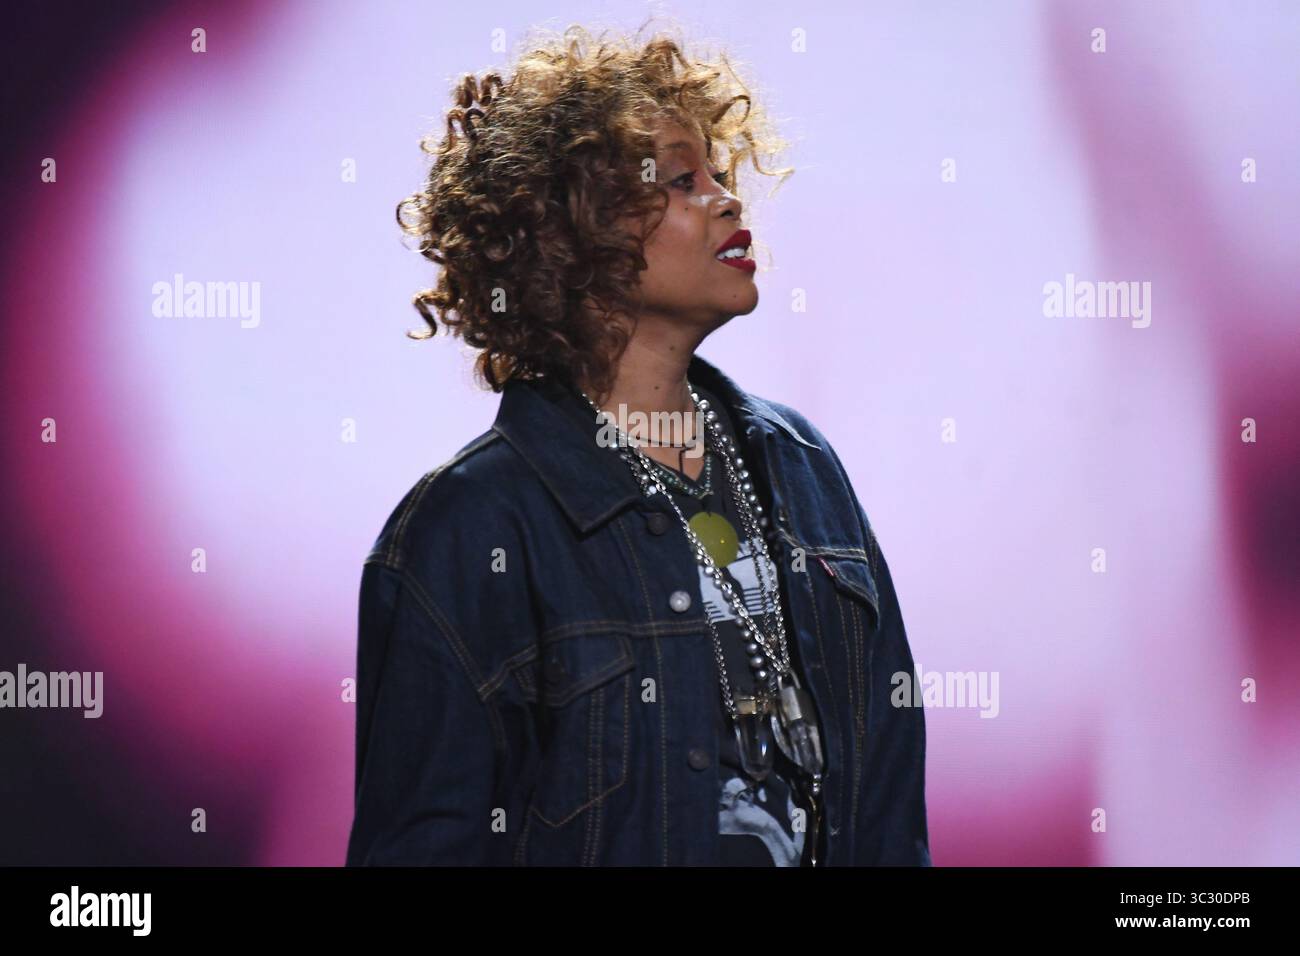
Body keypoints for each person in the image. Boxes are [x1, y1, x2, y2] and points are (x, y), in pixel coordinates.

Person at [345, 23, 931, 867]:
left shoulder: (802, 468)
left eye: (724, 175)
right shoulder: (469, 529)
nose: (729, 201)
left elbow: (886, 809)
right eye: (684, 180)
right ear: (573, 232)